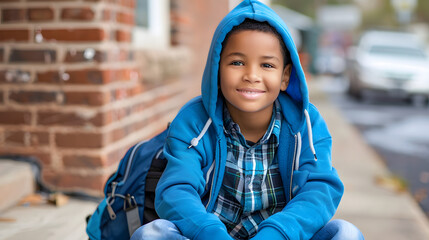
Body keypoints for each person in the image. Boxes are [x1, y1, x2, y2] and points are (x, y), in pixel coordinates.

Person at [131, 0, 364, 239]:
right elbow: (176, 190)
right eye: (237, 62)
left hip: (281, 236)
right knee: (151, 234)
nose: (252, 75)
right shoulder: (194, 121)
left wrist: (278, 233)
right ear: (217, 69)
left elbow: (320, 190)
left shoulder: (306, 124)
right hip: (208, 235)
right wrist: (209, 232)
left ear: (285, 77)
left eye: (266, 65)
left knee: (346, 233)